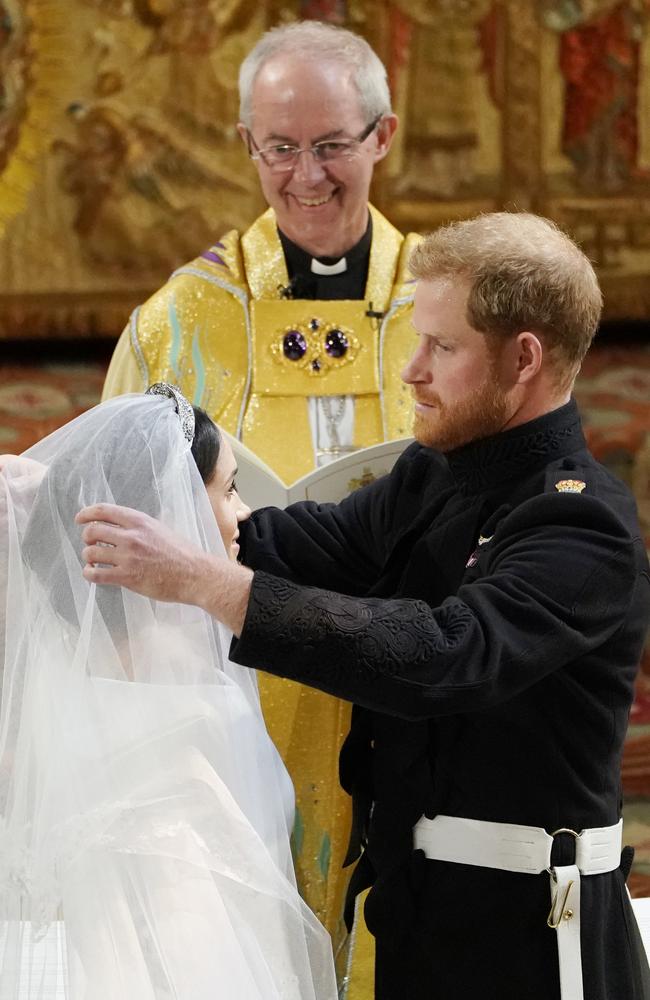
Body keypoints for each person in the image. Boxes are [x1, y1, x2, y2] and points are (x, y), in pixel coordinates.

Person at [79, 211, 650, 1000]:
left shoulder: (582, 523)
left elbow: (443, 654)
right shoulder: (440, 471)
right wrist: (71, 511)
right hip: (420, 914)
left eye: (441, 348)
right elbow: (300, 546)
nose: (411, 370)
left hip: (533, 933)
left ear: (524, 360)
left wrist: (203, 581)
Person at [102, 21, 419, 978]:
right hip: (238, 688)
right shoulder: (179, 321)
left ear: (382, 137)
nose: (307, 175)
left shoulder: (452, 305)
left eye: (331, 145)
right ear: (248, 144)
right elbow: (111, 517)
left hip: (415, 677)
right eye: (281, 147)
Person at [0, 386, 337, 1000]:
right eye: (228, 489)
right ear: (168, 508)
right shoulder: (168, 688)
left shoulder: (86, 672)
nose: (243, 514)